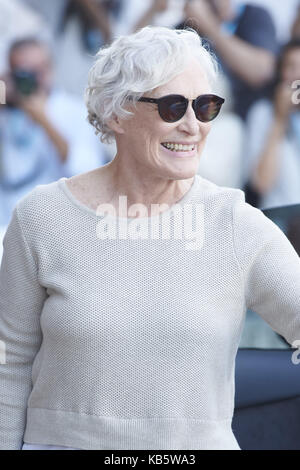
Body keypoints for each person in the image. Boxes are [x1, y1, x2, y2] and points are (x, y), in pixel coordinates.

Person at [0, 26, 299, 451]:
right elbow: (8, 364)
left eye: (206, 106)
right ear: (116, 113)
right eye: (173, 107)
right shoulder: (41, 218)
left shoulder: (236, 224)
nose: (193, 126)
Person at [0, 37, 108, 227]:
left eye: (35, 72)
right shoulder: (6, 110)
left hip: (45, 222)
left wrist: (44, 121)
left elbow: (86, 170)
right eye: (21, 74)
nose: (30, 81)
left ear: (49, 68)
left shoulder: (75, 110)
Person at [177, 0, 278, 120]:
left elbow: (262, 72)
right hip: (193, 111)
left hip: (238, 116)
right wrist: (154, 10)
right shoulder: (187, 26)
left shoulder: (254, 16)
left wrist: (209, 25)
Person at [243, 39, 300, 210]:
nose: (297, 75)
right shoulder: (263, 113)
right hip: (281, 217)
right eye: (291, 67)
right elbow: (261, 183)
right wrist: (279, 119)